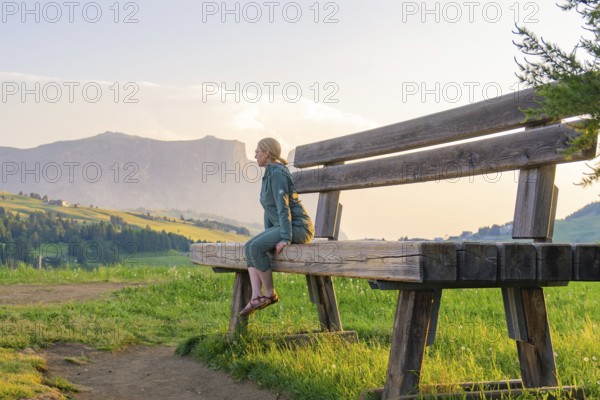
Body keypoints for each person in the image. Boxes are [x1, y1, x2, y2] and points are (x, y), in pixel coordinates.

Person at [240, 138, 315, 316]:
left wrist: (285, 238)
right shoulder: (268, 174)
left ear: (267, 153)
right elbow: (269, 209)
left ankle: (270, 293)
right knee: (249, 247)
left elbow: (284, 207)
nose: (255, 154)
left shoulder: (278, 173)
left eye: (258, 151)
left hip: (299, 227)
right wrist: (268, 235)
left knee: (256, 247)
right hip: (286, 225)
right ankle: (256, 296)